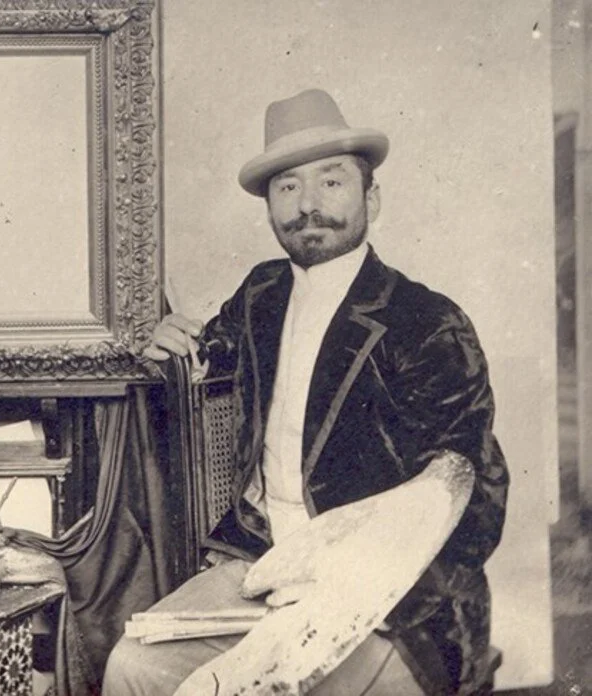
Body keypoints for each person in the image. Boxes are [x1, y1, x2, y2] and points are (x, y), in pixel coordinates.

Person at [103, 89, 509, 695]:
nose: (308, 205)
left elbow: (475, 497)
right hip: (262, 564)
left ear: (371, 197)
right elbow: (209, 359)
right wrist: (172, 346)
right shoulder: (261, 294)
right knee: (131, 667)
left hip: (387, 594)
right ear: (269, 206)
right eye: (287, 186)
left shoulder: (427, 322)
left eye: (331, 182)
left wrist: (357, 583)